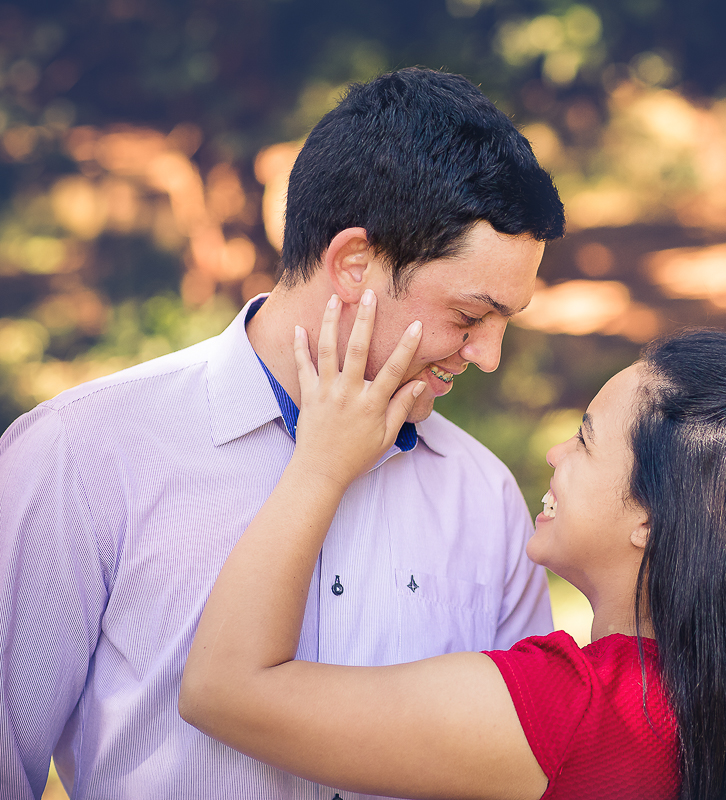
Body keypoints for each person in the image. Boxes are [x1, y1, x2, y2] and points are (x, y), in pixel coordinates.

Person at [0, 68, 564, 799]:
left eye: (502, 324)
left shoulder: (482, 494)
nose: (487, 357)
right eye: (468, 317)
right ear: (354, 264)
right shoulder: (80, 456)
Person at [180, 300, 726, 800]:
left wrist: (321, 465)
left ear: (651, 516)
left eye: (585, 440)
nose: (557, 455)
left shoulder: (577, 707)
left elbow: (226, 690)